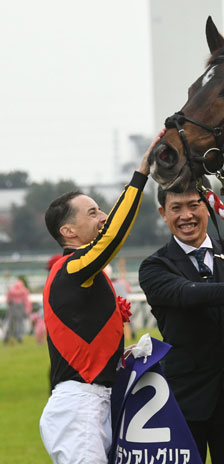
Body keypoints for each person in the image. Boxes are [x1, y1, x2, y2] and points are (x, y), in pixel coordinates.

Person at [39, 130, 163, 464]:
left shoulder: (80, 272)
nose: (103, 217)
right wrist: (141, 175)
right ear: (69, 232)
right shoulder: (73, 267)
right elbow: (112, 238)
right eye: (93, 213)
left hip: (92, 404)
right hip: (79, 406)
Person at [138, 178, 224, 464]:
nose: (186, 215)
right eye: (176, 208)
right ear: (163, 213)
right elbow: (185, 294)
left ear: (208, 207)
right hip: (185, 401)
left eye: (193, 205)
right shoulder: (155, 266)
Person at [3, 277, 31, 345]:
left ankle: (7, 337)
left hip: (12, 308)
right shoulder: (24, 291)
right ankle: (19, 337)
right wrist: (27, 310)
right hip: (20, 308)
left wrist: (9, 303)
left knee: (10, 324)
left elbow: (8, 300)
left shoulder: (11, 290)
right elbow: (27, 301)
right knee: (19, 323)